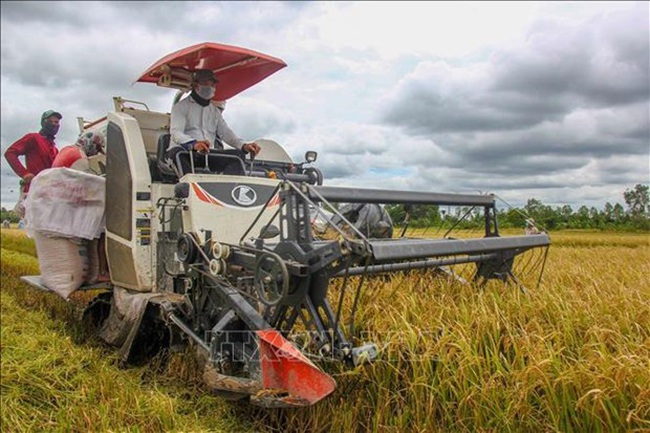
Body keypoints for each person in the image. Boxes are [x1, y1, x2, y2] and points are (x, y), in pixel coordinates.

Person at [166, 69, 260, 176]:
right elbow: (176, 133)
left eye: (213, 85)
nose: (211, 88)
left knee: (237, 155)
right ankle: (188, 188)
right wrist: (194, 144)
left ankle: (232, 189)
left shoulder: (214, 111)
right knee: (177, 153)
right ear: (196, 85)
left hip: (206, 154)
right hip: (185, 152)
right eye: (206, 84)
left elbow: (226, 133)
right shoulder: (181, 107)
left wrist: (244, 146)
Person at [52, 131, 110, 283]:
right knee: (103, 231)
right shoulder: (80, 157)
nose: (96, 152)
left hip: (60, 206)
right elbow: (83, 188)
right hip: (71, 207)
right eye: (97, 148)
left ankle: (91, 273)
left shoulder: (67, 150)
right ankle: (102, 273)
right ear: (90, 143)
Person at [4, 110, 62, 216]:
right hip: (34, 192)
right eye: (51, 121)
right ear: (43, 123)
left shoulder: (54, 149)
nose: (54, 124)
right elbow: (10, 153)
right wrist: (24, 173)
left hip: (49, 196)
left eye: (57, 122)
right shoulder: (33, 138)